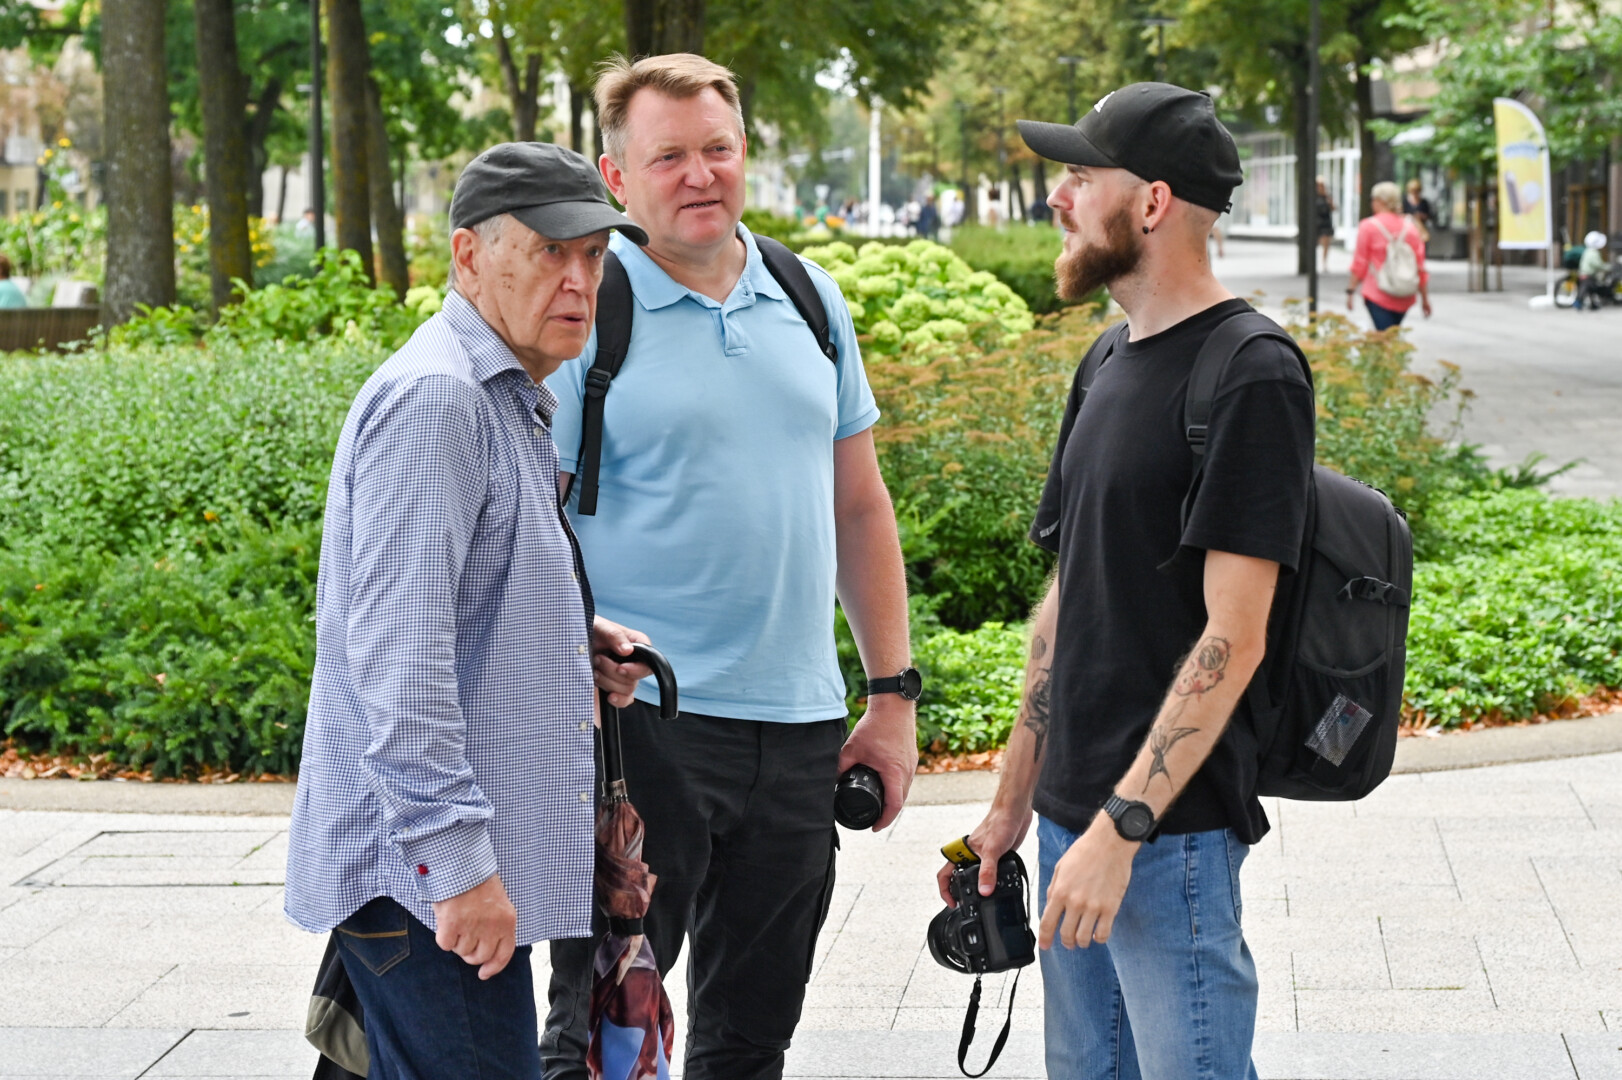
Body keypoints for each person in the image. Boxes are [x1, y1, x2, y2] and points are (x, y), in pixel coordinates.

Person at [540, 54, 916, 1080]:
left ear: (745, 152)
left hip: (797, 731)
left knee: (751, 1043)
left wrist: (890, 697)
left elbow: (858, 505)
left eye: (718, 149)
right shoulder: (587, 308)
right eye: (669, 157)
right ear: (617, 178)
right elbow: (528, 522)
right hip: (642, 731)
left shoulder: (807, 294)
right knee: (604, 1038)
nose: (700, 174)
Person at [954, 83, 1316, 1080]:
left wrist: (1123, 827)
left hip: (1166, 840)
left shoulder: (1250, 372)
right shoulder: (1105, 359)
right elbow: (1065, 604)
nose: (1056, 197)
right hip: (1070, 821)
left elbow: (1232, 635)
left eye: (1080, 176)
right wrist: (1012, 805)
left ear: (1152, 202)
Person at [284, 142, 654, 1079]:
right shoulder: (440, 402)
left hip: (423, 886)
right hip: (426, 891)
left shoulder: (501, 392)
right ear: (468, 256)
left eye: (594, 256)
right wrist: (460, 873)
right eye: (550, 251)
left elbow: (444, 604)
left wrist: (569, 640)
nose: (580, 281)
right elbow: (398, 669)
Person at [1348, 180, 1431, 330]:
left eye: (1373, 199)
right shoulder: (1411, 228)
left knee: (1385, 338)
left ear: (1380, 201)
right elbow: (1420, 267)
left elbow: (1360, 263)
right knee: (1391, 334)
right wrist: (1425, 299)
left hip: (1377, 293)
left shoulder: (1368, 227)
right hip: (1405, 294)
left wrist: (1351, 290)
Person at [1575, 229, 1609, 312]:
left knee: (1590, 291)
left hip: (1582, 273)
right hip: (1588, 275)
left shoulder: (1587, 251)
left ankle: (1592, 304)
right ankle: (1579, 302)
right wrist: (1608, 267)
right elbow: (1598, 265)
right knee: (1589, 289)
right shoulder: (1594, 253)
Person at [1314, 176, 1335, 271]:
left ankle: (1324, 262)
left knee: (1326, 244)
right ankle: (1314, 263)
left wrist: (1330, 202)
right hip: (1317, 223)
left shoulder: (1327, 197)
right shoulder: (1314, 197)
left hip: (1326, 223)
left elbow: (1333, 208)